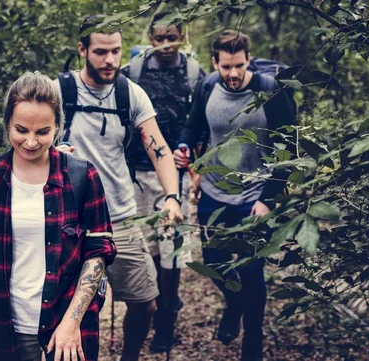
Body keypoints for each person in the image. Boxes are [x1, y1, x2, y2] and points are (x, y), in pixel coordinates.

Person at [0, 72, 116, 361]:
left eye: (42, 132)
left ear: (57, 129)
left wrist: (71, 323)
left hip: (67, 330)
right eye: (21, 130)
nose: (30, 141)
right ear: (7, 125)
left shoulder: (82, 176)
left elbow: (98, 254)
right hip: (1, 328)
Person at [55, 15, 184, 361]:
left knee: (145, 303)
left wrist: (171, 196)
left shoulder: (130, 93)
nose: (110, 60)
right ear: (82, 50)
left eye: (115, 51)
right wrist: (53, 155)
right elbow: (25, 144)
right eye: (100, 52)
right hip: (69, 221)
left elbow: (159, 150)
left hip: (120, 219)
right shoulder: (58, 91)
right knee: (69, 307)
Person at [174, 30, 297, 361]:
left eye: (239, 66)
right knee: (214, 262)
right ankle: (234, 305)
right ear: (215, 61)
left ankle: (252, 344)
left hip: (254, 194)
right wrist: (183, 146)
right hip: (214, 191)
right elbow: (193, 125)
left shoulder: (270, 90)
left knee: (251, 271)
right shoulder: (207, 86)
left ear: (248, 60)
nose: (232, 74)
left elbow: (292, 147)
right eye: (226, 66)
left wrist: (269, 198)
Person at [121, 12, 206, 353]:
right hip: (139, 173)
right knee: (149, 248)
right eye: (160, 38)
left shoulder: (195, 74)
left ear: (182, 35)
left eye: (173, 37)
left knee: (173, 250)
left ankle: (168, 317)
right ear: (151, 38)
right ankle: (157, 305)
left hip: (178, 174)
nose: (167, 45)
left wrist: (194, 160)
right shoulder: (133, 72)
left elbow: (201, 121)